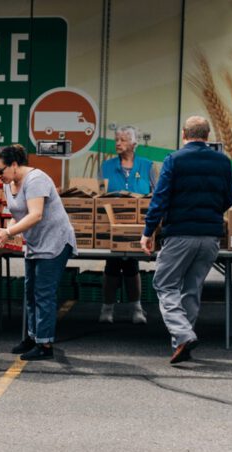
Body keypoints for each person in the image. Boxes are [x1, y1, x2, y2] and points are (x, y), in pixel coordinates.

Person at [140, 115, 232, 364]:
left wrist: (148, 231)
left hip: (180, 234)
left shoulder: (174, 160)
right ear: (207, 135)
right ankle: (182, 344)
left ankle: (183, 334)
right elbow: (230, 198)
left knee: (165, 284)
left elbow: (159, 199)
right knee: (191, 289)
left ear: (184, 134)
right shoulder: (223, 162)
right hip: (211, 236)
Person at [0, 144, 77, 360]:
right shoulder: (9, 183)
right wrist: (5, 229)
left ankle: (45, 345)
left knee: (43, 294)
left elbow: (35, 214)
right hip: (35, 243)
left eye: (0, 171)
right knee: (30, 293)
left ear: (15, 165)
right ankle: (33, 336)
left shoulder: (36, 180)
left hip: (54, 241)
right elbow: (17, 214)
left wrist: (9, 232)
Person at [99, 125, 156, 324]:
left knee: (132, 264)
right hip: (112, 226)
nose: (118, 143)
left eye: (122, 140)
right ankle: (107, 308)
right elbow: (99, 195)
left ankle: (136, 309)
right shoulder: (106, 166)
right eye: (116, 139)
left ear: (134, 144)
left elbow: (155, 194)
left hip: (140, 226)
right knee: (112, 264)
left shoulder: (147, 166)